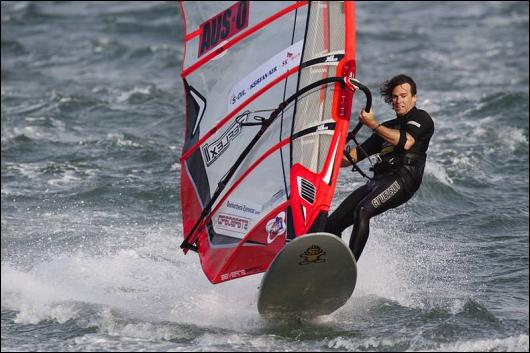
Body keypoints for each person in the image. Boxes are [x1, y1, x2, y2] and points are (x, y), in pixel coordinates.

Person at [325, 74, 434, 261]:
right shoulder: (386, 127)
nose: (398, 100)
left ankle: (348, 267)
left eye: (404, 95)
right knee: (332, 223)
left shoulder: (421, 118)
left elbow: (406, 142)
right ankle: (329, 265)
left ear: (413, 97)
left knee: (363, 210)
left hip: (403, 179)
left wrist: (373, 125)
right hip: (378, 181)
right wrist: (325, 152)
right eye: (395, 97)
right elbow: (352, 157)